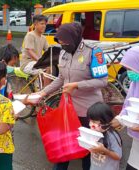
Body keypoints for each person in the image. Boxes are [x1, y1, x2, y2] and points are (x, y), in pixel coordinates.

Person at [38, 23, 108, 170]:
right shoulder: (63, 53)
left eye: (65, 42)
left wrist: (76, 85)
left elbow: (102, 81)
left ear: (74, 38)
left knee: (87, 151)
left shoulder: (94, 52)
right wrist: (43, 92)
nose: (63, 46)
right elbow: (61, 78)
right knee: (64, 147)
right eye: (60, 43)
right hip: (68, 110)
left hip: (89, 111)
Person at [88, 102, 122, 170]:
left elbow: (118, 156)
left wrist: (105, 151)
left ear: (105, 121)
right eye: (90, 120)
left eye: (94, 122)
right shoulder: (94, 133)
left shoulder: (112, 136)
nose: (90, 124)